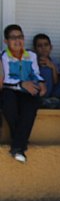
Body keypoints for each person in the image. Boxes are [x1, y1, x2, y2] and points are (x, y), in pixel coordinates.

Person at [0, 24, 46, 162]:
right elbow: (6, 78)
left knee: (30, 107)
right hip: (11, 90)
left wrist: (41, 82)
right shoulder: (4, 56)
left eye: (20, 37)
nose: (17, 41)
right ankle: (19, 146)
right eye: (13, 38)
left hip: (28, 91)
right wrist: (21, 84)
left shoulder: (30, 55)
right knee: (9, 105)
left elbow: (35, 73)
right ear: (6, 41)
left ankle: (17, 147)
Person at [33, 33, 60, 109]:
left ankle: (52, 101)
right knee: (46, 71)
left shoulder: (55, 61)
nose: (43, 48)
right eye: (40, 46)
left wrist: (53, 67)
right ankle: (44, 100)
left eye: (46, 45)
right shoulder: (33, 61)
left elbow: (56, 82)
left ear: (51, 47)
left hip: (53, 91)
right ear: (35, 49)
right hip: (40, 91)